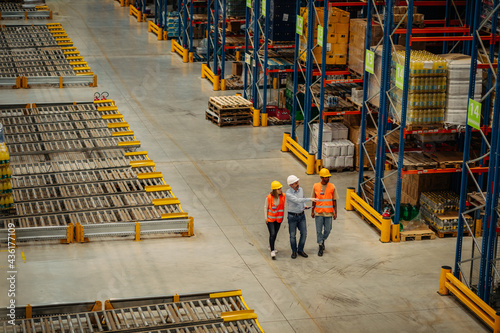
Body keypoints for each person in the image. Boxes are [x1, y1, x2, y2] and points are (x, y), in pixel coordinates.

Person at [286, 175, 317, 259]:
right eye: (296, 183)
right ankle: (294, 251)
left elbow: (302, 199)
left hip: (301, 215)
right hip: (292, 216)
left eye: (297, 182)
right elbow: (297, 200)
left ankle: (300, 249)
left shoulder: (301, 190)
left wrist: (304, 205)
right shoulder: (288, 193)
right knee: (292, 235)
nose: (298, 184)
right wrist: (310, 199)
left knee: (304, 233)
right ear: (291, 185)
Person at [311, 168, 338, 256]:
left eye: (328, 177)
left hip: (328, 212)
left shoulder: (332, 186)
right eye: (326, 177)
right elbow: (313, 200)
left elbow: (334, 200)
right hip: (318, 212)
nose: (328, 179)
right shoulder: (315, 186)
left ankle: (322, 240)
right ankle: (320, 246)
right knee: (319, 231)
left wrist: (335, 212)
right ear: (322, 178)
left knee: (328, 229)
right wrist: (312, 211)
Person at [265, 181, 285, 260]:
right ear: (274, 190)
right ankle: (272, 250)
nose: (280, 190)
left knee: (275, 234)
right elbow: (265, 207)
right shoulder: (269, 197)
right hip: (270, 219)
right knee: (272, 233)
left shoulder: (283, 196)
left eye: (280, 188)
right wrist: (266, 218)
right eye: (278, 189)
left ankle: (271, 246)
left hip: (279, 219)